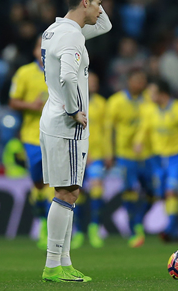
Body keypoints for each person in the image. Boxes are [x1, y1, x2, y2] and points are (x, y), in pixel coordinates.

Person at [39, 0, 112, 282]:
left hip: (55, 119)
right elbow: (69, 76)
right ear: (84, 3)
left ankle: (64, 262)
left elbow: (104, 25)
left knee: (70, 192)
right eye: (96, 3)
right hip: (67, 123)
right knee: (66, 192)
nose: (100, 9)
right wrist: (74, 110)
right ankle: (53, 265)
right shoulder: (71, 37)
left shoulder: (55, 30)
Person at [134, 78, 178, 243]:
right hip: (157, 158)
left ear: (162, 94)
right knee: (165, 195)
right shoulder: (151, 111)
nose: (150, 96)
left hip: (177, 157)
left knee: (171, 191)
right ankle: (174, 232)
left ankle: (169, 229)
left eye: (153, 92)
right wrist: (138, 143)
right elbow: (144, 129)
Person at [9, 35, 53, 250]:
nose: (44, 51)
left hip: (55, 136)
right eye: (40, 48)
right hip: (32, 136)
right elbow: (12, 101)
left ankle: (49, 228)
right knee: (38, 182)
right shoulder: (24, 73)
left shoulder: (61, 71)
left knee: (53, 183)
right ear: (35, 51)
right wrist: (31, 106)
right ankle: (41, 219)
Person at [104, 69, 154, 248]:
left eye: (143, 81)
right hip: (126, 155)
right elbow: (108, 130)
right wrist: (109, 154)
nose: (141, 84)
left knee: (153, 192)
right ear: (129, 82)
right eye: (137, 80)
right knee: (130, 190)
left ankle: (139, 220)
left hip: (148, 154)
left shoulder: (149, 99)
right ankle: (134, 229)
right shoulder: (116, 102)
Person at [71, 73, 106, 249]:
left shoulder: (101, 103)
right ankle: (78, 231)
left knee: (97, 189)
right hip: (77, 154)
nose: (93, 84)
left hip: (97, 155)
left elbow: (106, 131)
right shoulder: (74, 102)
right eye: (90, 81)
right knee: (78, 193)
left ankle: (94, 229)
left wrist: (109, 153)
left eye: (95, 81)